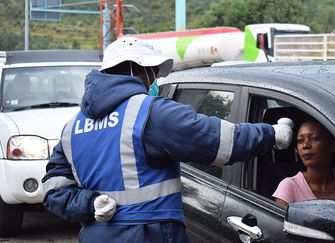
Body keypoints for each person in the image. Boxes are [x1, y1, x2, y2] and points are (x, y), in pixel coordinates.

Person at [42, 37, 294, 243]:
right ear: (136, 69)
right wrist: (273, 134)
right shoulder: (150, 112)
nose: (154, 79)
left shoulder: (72, 127)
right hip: (147, 235)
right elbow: (219, 141)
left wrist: (89, 204)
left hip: (95, 237)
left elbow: (52, 190)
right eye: (152, 71)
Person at [272, 119, 335, 222]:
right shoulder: (289, 186)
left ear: (334, 144)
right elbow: (277, 229)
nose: (305, 145)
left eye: (314, 138)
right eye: (300, 141)